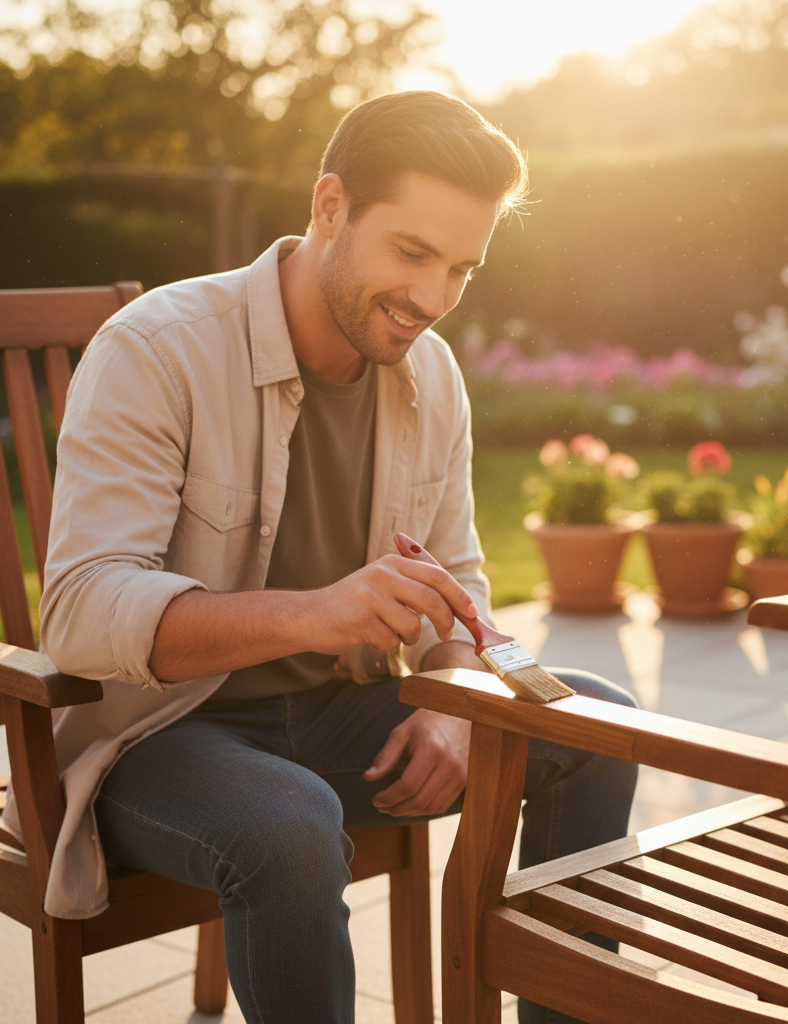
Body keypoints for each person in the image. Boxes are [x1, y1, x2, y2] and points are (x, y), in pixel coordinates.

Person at [5, 91, 637, 1024]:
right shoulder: (157, 349)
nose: (433, 299)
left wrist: (457, 697)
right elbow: (83, 613)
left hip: (340, 720)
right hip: (153, 738)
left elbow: (457, 577)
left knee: (594, 727)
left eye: (461, 268)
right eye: (413, 253)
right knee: (291, 825)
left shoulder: (431, 375)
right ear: (329, 206)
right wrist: (313, 612)